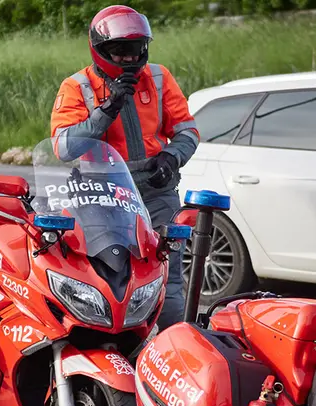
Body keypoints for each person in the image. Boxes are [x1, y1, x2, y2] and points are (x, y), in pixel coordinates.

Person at [50, 4, 200, 332]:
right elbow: (64, 148)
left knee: (167, 276)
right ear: (101, 50)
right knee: (107, 275)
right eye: (121, 51)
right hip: (101, 198)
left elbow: (188, 130)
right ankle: (106, 344)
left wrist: (171, 157)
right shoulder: (78, 86)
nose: (131, 58)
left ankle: (172, 345)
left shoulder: (158, 77)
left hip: (157, 191)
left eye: (136, 49)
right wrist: (107, 110)